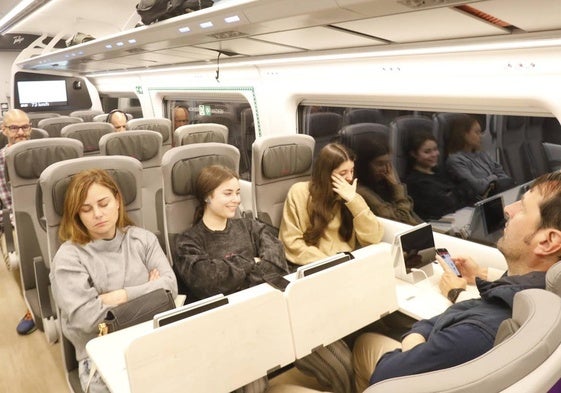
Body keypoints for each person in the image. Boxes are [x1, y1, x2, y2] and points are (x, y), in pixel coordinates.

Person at [351, 171, 561, 392]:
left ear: (547, 242)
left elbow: (384, 377)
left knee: (362, 345)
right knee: (367, 341)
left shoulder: (476, 331)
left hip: (406, 369)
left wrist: (415, 342)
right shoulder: (543, 290)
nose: (508, 209)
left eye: (523, 208)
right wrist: (481, 273)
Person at [49, 169, 178, 393]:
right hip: (103, 353)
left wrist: (119, 296)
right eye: (86, 209)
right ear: (77, 214)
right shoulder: (68, 258)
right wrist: (148, 291)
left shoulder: (142, 239)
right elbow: (87, 319)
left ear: (117, 201)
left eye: (103, 203)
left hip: (154, 339)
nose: (97, 214)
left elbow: (170, 287)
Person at [174, 164, 290, 301]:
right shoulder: (187, 242)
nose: (237, 200)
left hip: (265, 300)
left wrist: (234, 279)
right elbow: (208, 284)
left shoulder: (249, 226)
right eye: (228, 193)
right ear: (207, 197)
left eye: (238, 192)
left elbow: (277, 261)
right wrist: (253, 261)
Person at [280, 142, 384, 265]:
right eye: (343, 173)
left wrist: (353, 201)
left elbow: (374, 238)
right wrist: (331, 263)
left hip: (347, 263)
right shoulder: (299, 193)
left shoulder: (351, 196)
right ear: (326, 174)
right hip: (316, 265)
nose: (350, 178)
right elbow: (292, 243)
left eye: (352, 171)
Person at [1, 109, 36, 335]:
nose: (21, 132)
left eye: (25, 127)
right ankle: (31, 308)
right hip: (14, 222)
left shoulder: (41, 153)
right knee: (15, 261)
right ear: (4, 130)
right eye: (14, 128)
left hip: (44, 216)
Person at [353, 132, 422, 225]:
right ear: (365, 165)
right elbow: (402, 220)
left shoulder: (383, 183)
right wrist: (397, 187)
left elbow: (411, 216)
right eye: (380, 164)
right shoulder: (362, 191)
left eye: (388, 163)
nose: (386, 169)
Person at [405, 131, 476, 220]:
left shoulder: (440, 170)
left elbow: (469, 187)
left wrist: (452, 194)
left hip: (463, 215)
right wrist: (458, 193)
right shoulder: (415, 182)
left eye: (435, 149)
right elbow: (446, 205)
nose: (434, 154)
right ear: (414, 154)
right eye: (427, 152)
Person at [446, 114, 514, 198]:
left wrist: (493, 182)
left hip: (497, 193)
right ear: (464, 135)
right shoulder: (456, 160)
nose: (481, 136)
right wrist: (493, 177)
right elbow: (477, 187)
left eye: (481, 132)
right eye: (477, 132)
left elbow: (501, 173)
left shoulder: (481, 153)